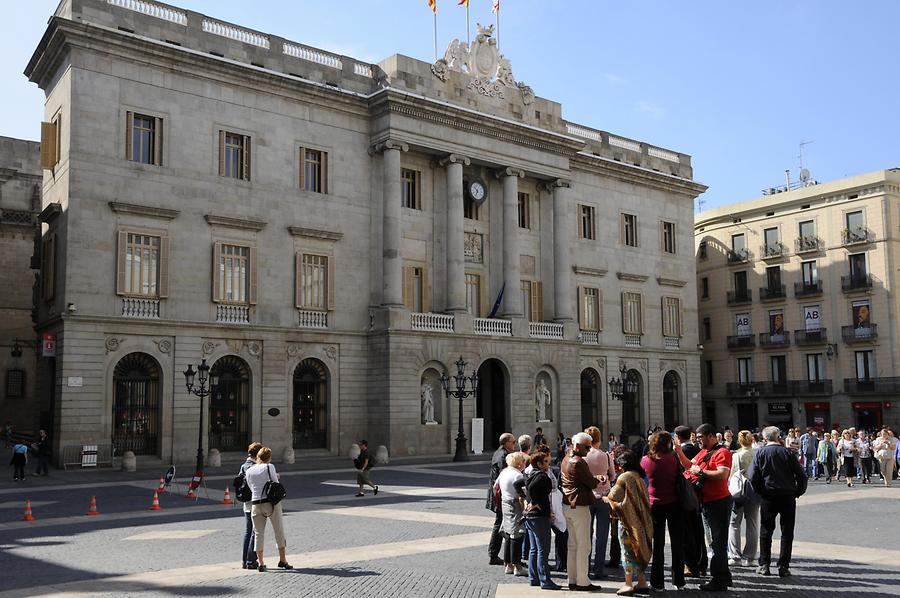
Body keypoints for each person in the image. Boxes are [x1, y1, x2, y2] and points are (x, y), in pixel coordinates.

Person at [675, 423, 732, 592]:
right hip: (706, 502)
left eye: (700, 438)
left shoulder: (723, 452)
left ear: (710, 435)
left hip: (719, 502)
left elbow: (723, 474)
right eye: (697, 438)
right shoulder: (703, 452)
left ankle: (719, 578)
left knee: (717, 542)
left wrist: (701, 472)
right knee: (713, 541)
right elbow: (688, 465)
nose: (698, 440)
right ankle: (723, 576)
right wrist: (678, 451)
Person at [747, 426, 807, 577]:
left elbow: (752, 475)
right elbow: (801, 475)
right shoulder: (787, 452)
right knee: (787, 531)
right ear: (778, 436)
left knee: (766, 531)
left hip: (768, 496)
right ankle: (783, 566)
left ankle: (764, 564)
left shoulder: (760, 453)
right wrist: (797, 492)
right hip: (787, 496)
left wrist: (760, 491)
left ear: (765, 438)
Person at [605, 450, 652, 596]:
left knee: (627, 553)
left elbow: (613, 496)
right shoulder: (638, 476)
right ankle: (642, 582)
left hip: (628, 522)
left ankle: (628, 584)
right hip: (642, 521)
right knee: (639, 550)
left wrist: (605, 499)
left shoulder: (624, 477)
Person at [641, 431, 685, 591]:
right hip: (674, 503)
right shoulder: (673, 459)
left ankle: (657, 582)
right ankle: (678, 581)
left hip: (654, 505)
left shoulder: (646, 460)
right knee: (677, 542)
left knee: (657, 545)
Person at [561, 432, 601, 592]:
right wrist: (599, 479)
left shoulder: (566, 458)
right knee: (584, 545)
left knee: (573, 544)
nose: (589, 450)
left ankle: (572, 578)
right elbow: (591, 483)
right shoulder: (578, 462)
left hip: (567, 504)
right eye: (587, 447)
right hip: (579, 505)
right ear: (577, 446)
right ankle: (582, 581)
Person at [519, 450, 562, 590]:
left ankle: (534, 578)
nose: (548, 465)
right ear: (538, 463)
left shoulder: (530, 474)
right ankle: (545, 580)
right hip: (539, 516)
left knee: (534, 549)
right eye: (546, 462)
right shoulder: (542, 477)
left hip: (530, 516)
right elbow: (543, 498)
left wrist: (527, 499)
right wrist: (547, 512)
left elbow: (517, 484)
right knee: (543, 549)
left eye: (549, 461)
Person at [245, 446, 292, 572]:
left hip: (255, 504)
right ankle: (283, 560)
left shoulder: (249, 470)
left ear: (258, 457)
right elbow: (275, 483)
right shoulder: (269, 467)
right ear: (269, 457)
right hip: (271, 503)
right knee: (278, 531)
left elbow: (250, 487)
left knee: (258, 534)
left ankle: (261, 563)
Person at [674, 425, 707, 579]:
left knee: (687, 530)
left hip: (686, 493)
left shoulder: (682, 452)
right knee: (697, 528)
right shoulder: (698, 450)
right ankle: (702, 563)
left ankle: (691, 564)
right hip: (697, 493)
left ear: (678, 437)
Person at [583, 426, 615, 581]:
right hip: (603, 496)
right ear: (599, 439)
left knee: (586, 533)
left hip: (587, 496)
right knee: (602, 534)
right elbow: (612, 475)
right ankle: (599, 568)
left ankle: (586, 565)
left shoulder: (582, 457)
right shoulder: (606, 455)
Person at [727, 431, 758, 568]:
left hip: (739, 492)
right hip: (754, 491)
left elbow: (732, 475)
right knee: (752, 524)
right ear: (752, 440)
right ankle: (750, 558)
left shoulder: (736, 455)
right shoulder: (757, 453)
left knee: (734, 523)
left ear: (739, 442)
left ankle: (735, 556)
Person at [495, 451, 527, 576]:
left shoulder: (504, 472)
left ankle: (508, 564)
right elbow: (523, 492)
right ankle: (517, 566)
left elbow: (495, 486)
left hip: (505, 503)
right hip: (515, 504)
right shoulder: (517, 475)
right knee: (517, 535)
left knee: (508, 533)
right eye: (523, 461)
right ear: (519, 463)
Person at [488, 433, 516, 565]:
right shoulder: (502, 456)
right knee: (499, 523)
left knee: (500, 522)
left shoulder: (499, 453)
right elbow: (502, 475)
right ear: (506, 442)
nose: (514, 444)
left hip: (498, 495)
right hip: (500, 496)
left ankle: (496, 553)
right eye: (513, 442)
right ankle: (493, 554)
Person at [239, 442, 262, 569]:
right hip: (254, 502)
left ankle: (244, 560)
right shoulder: (254, 468)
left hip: (245, 503)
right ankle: (250, 560)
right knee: (255, 532)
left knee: (248, 532)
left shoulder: (243, 466)